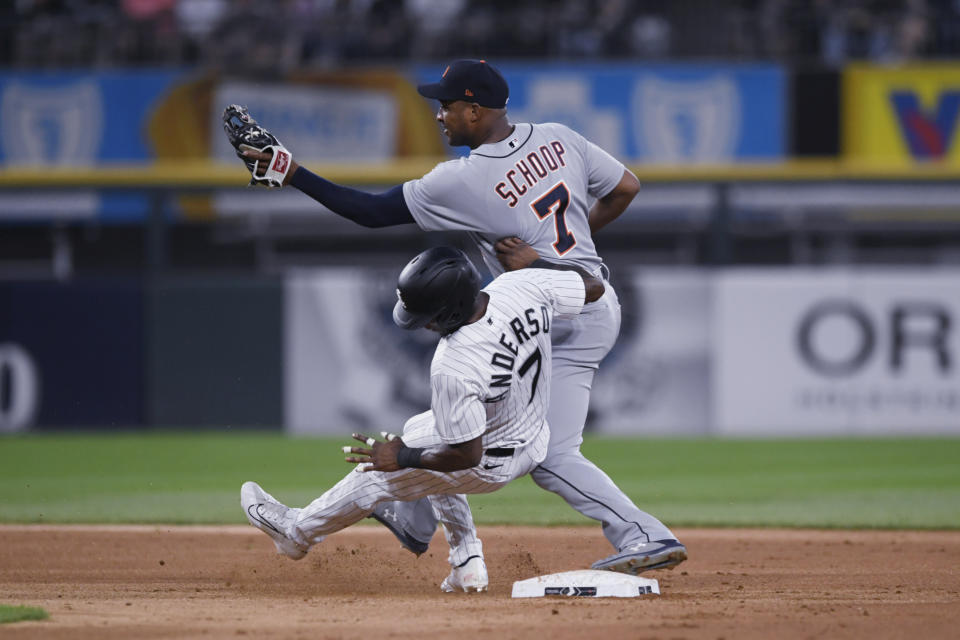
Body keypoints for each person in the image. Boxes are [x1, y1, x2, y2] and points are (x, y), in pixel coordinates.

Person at [228, 58, 686, 581]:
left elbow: (370, 212)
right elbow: (626, 187)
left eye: (446, 106)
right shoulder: (561, 137)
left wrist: (290, 172)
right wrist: (566, 254)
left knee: (545, 449)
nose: (439, 115)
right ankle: (422, 523)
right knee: (453, 421)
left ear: (475, 109)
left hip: (552, 308)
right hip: (584, 298)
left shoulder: (465, 180)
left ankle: (642, 533)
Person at [241, 245, 605, 591]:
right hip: (532, 433)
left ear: (449, 312)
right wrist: (537, 262)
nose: (425, 325)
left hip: (487, 462)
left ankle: (296, 533)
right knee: (421, 429)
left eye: (427, 317)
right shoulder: (523, 283)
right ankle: (466, 562)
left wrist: (401, 459)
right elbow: (594, 286)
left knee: (378, 476)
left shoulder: (454, 363)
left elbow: (466, 456)